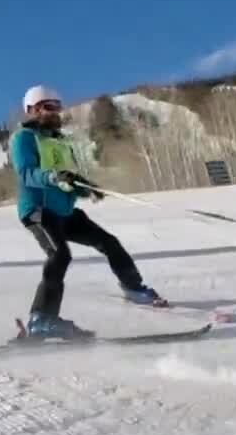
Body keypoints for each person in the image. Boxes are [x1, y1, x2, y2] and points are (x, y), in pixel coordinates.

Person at [10, 84, 166, 339]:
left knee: (108, 242)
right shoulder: (24, 139)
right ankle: (41, 319)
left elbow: (69, 179)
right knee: (59, 254)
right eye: (49, 107)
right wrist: (53, 177)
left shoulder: (61, 143)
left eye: (58, 107)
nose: (55, 112)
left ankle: (134, 288)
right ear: (32, 110)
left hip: (64, 212)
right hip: (39, 210)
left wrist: (85, 189)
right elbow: (27, 173)